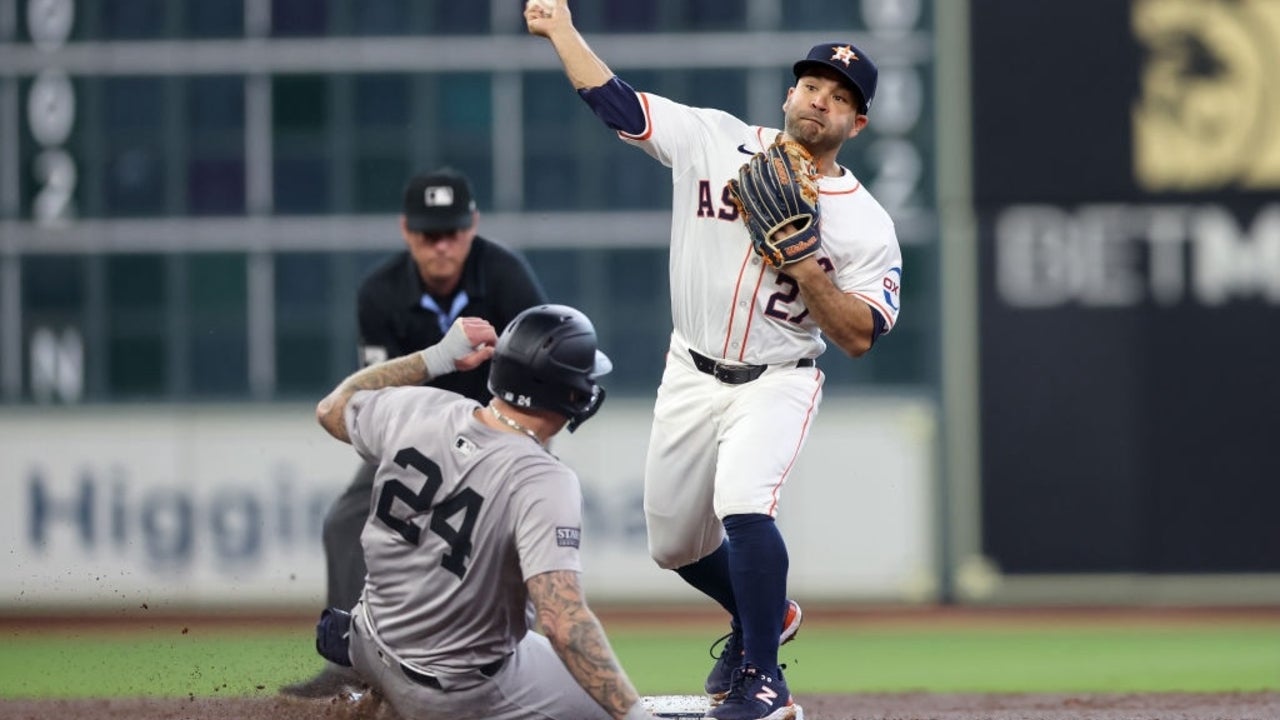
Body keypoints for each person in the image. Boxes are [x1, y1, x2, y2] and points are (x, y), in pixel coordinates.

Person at [527, 4, 903, 720]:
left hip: (777, 379)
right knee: (672, 543)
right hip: (689, 369)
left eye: (843, 98)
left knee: (743, 504)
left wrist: (806, 266)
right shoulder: (713, 138)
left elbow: (859, 335)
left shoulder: (865, 221)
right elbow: (617, 103)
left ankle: (765, 678)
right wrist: (560, 32)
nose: (823, 100)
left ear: (857, 125)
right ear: (790, 95)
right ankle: (767, 612)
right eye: (815, 87)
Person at [311, 305, 658, 720]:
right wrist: (636, 715)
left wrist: (434, 358)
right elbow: (563, 622)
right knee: (607, 712)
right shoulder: (543, 480)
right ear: (571, 394)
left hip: (368, 640)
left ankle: (380, 697)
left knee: (528, 643)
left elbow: (332, 408)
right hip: (453, 694)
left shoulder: (420, 408)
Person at [281, 168, 548, 698]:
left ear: (473, 225)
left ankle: (521, 663)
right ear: (407, 231)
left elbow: (542, 374)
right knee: (345, 521)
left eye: (452, 230)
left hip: (496, 440)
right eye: (430, 233)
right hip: (413, 441)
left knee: (516, 541)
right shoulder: (380, 294)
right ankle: (353, 668)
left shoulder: (507, 279)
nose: (442, 245)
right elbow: (371, 396)